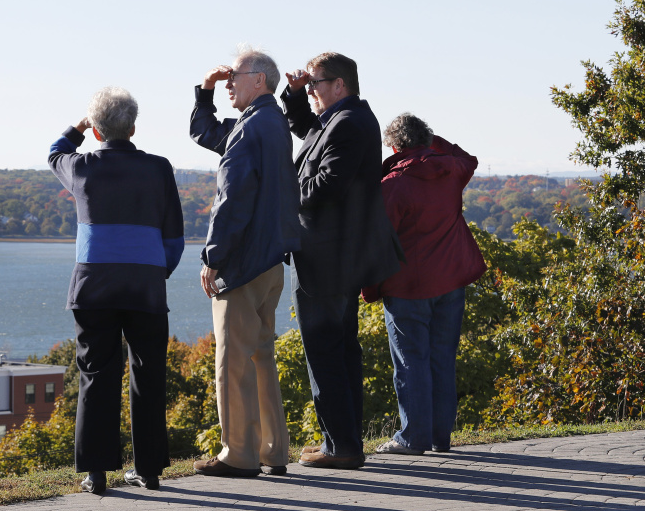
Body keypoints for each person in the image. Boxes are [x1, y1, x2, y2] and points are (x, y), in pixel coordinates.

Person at [48, 87, 185, 495]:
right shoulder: (159, 168)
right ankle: (150, 470)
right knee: (149, 376)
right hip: (145, 286)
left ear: (96, 132)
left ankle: (96, 473)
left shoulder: (82, 167)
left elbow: (55, 151)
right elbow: (174, 238)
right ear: (134, 127)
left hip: (94, 286)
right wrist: (156, 272)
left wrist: (78, 127)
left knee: (96, 376)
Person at [281, 52, 403, 469]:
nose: (311, 89)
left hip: (328, 258)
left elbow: (329, 183)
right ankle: (344, 440)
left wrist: (282, 193)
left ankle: (342, 446)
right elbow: (307, 131)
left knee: (326, 351)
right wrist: (294, 94)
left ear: (340, 85)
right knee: (340, 350)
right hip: (332, 256)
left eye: (315, 83)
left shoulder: (349, 122)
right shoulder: (341, 118)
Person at [189, 47, 301, 477]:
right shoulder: (272, 124)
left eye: (235, 75)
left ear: (261, 80)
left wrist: (213, 258)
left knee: (232, 362)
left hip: (244, 265)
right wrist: (206, 92)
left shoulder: (251, 129)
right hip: (272, 263)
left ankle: (238, 454)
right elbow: (205, 133)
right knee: (261, 358)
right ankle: (273, 450)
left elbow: (232, 198)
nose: (229, 81)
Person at [364, 113, 487, 455]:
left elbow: (379, 241)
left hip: (408, 287)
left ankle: (413, 437)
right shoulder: (449, 171)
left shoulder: (393, 185)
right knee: (442, 359)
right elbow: (468, 158)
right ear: (428, 141)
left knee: (410, 361)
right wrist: (432, 145)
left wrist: (369, 287)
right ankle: (438, 437)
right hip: (451, 280)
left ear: (393, 145)